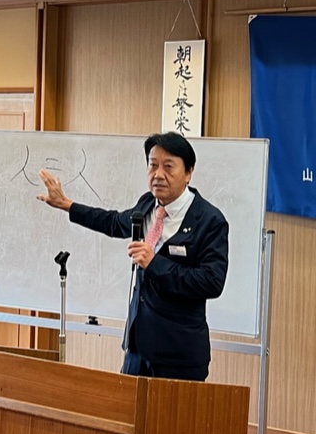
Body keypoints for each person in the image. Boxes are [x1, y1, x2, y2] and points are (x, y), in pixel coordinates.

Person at [37, 132, 229, 382]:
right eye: (152, 165)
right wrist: (67, 205)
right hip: (137, 348)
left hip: (179, 354)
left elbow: (211, 282)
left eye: (168, 167)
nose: (158, 174)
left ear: (189, 172)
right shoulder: (148, 204)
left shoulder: (210, 220)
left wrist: (155, 263)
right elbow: (114, 222)